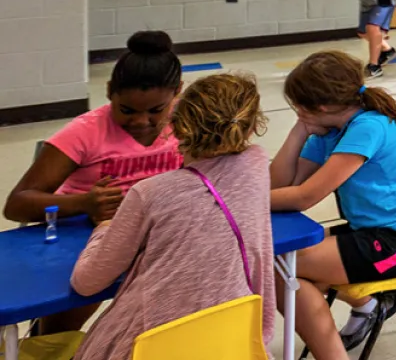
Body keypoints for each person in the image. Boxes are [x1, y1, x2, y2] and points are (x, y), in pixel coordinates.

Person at [69, 72, 276, 360]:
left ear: (177, 127)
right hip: (228, 342)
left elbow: (87, 282)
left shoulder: (149, 193)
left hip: (143, 346)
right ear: (251, 128)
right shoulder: (255, 165)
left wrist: (104, 228)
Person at [5, 31, 186, 335]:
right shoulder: (85, 132)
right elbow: (17, 204)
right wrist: (82, 204)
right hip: (87, 234)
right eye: (127, 110)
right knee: (75, 306)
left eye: (156, 110)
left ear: (177, 92)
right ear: (109, 92)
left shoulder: (185, 122)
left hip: (158, 232)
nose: (141, 122)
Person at [271, 51, 396, 360]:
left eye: (298, 107)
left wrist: (240, 200)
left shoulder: (367, 128)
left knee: (282, 269)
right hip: (374, 231)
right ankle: (369, 307)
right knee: (282, 267)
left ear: (322, 106)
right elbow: (282, 186)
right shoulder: (332, 130)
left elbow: (304, 197)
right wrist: (298, 131)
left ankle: (352, 328)